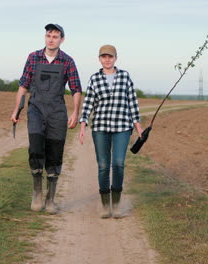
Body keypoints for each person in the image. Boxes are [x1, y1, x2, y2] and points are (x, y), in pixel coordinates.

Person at [11, 23, 82, 214]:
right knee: (35, 149)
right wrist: (16, 110)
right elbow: (23, 86)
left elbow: (76, 89)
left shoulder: (68, 61)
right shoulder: (33, 57)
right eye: (48, 36)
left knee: (55, 153)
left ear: (62, 40)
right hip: (36, 109)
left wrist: (75, 112)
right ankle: (37, 193)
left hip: (57, 112)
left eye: (55, 36)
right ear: (45, 38)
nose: (51, 39)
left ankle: (51, 199)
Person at [79, 44, 143, 219]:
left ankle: (116, 204)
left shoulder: (125, 76)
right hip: (100, 127)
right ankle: (105, 205)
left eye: (110, 56)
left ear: (116, 58)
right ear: (99, 59)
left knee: (119, 163)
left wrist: (138, 128)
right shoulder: (94, 79)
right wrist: (83, 125)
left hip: (122, 126)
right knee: (103, 166)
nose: (107, 60)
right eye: (103, 57)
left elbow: (133, 102)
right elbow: (88, 103)